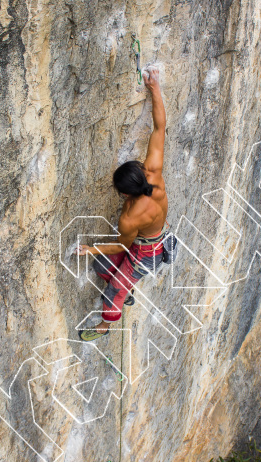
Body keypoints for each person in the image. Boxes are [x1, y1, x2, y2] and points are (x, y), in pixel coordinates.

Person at [76, 66, 168, 342]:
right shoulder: (154, 173)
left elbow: (122, 246)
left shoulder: (130, 217)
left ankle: (104, 326)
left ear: (126, 194)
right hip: (150, 242)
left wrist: (91, 247)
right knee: (102, 266)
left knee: (113, 291)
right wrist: (155, 89)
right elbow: (160, 126)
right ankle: (126, 288)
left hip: (145, 254)